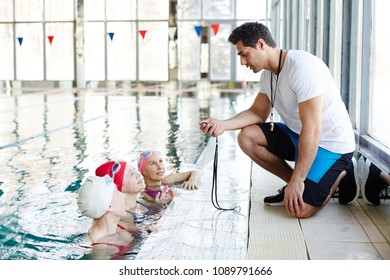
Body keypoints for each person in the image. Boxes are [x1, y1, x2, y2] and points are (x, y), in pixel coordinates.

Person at [199, 22, 358, 218]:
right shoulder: (268, 76)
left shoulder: (302, 68)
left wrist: (299, 179)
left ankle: (343, 170)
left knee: (301, 209)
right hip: (300, 137)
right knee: (247, 136)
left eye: (244, 54)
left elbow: (313, 128)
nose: (242, 62)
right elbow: (257, 113)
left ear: (261, 44)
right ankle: (294, 184)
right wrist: (223, 124)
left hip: (331, 145)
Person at [77, 175, 134, 258]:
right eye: (118, 192)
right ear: (109, 206)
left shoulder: (120, 228)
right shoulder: (101, 251)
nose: (124, 196)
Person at [95, 161, 158, 233]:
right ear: (118, 187)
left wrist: (161, 202)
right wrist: (143, 231)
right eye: (131, 174)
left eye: (134, 170)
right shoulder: (122, 218)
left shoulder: (139, 202)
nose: (138, 174)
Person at [137, 150, 202, 202]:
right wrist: (159, 204)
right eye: (153, 163)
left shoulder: (166, 179)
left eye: (160, 161)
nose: (160, 167)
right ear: (143, 171)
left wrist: (192, 180)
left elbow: (196, 172)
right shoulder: (144, 194)